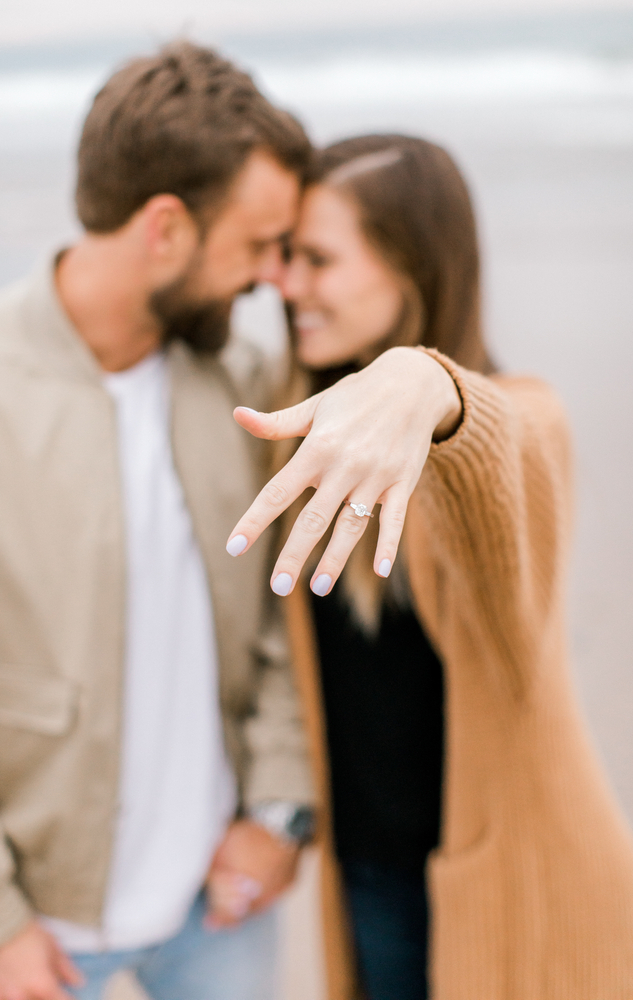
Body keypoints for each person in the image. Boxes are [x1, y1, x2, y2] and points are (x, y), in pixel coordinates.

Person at [0, 50, 446, 1000]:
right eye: (261, 244)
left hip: (219, 912)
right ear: (165, 229)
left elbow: (279, 625)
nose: (273, 278)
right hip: (36, 940)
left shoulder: (244, 386)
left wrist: (277, 813)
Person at [226, 135, 633, 999]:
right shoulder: (302, 427)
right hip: (370, 873)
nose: (286, 285)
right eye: (285, 256)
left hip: (523, 883)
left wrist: (426, 384)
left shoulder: (518, 421)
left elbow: (506, 439)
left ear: (410, 269)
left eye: (317, 260)